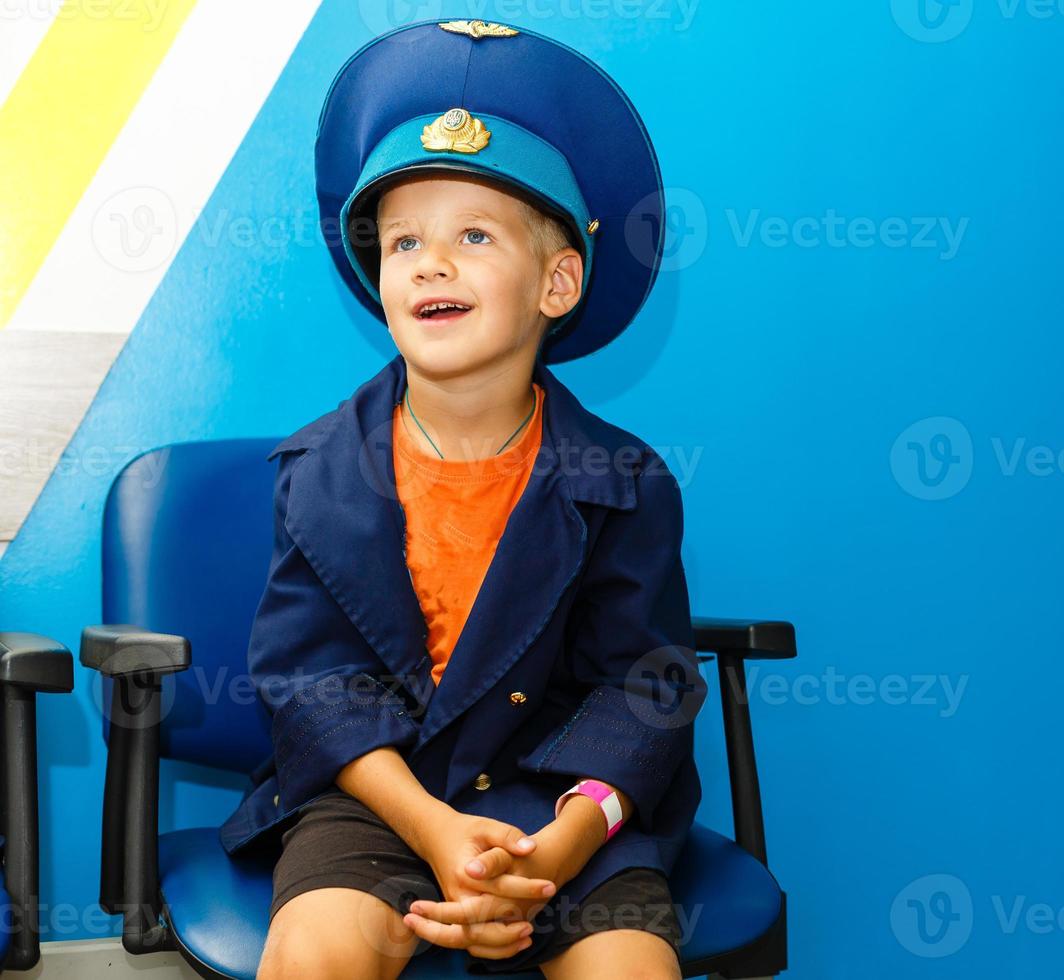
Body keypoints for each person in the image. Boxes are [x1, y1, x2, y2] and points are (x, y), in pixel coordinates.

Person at [217, 19, 705, 979]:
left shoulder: (626, 480)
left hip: (559, 796)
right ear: (379, 279)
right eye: (405, 242)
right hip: (382, 798)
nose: (431, 262)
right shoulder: (316, 470)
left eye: (474, 234)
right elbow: (314, 692)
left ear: (557, 282)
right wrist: (437, 833)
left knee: (630, 969)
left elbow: (643, 690)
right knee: (315, 953)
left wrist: (554, 852)